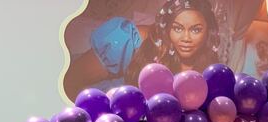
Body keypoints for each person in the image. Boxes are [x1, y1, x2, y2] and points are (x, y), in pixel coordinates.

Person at [64, 0, 220, 95]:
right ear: (166, 28)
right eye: (177, 28)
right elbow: (70, 80)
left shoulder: (209, 69)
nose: (186, 38)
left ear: (208, 32)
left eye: (195, 30)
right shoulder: (131, 40)